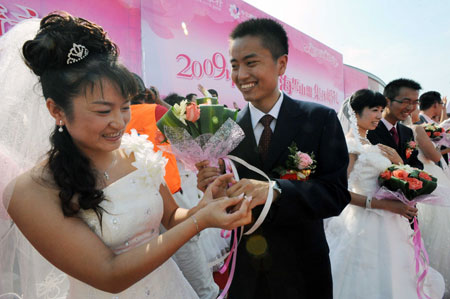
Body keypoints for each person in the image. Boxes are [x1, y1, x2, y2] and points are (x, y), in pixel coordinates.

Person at [0, 13, 251, 298]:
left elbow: (171, 216)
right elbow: (109, 274)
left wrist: (201, 209)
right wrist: (199, 221)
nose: (120, 122)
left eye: (124, 107)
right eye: (103, 111)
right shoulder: (30, 190)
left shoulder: (136, 152)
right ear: (57, 110)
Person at [196, 18, 350, 298]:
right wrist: (212, 189)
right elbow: (224, 201)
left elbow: (336, 194)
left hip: (303, 269)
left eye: (251, 63)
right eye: (234, 65)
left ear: (281, 64)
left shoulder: (320, 119)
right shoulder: (225, 130)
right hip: (246, 273)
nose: (241, 74)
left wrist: (276, 191)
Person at [325, 89, 445, 299]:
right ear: (355, 112)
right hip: (363, 223)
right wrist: (385, 205)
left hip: (390, 221)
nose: (379, 116)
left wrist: (399, 164)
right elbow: (340, 193)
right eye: (374, 110)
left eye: (381, 110)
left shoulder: (370, 144)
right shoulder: (350, 146)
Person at [407, 107, 450, 297]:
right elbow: (434, 156)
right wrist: (437, 144)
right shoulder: (417, 129)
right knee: (439, 227)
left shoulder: (401, 129)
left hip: (417, 177)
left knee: (427, 227)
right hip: (430, 174)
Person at [367, 78, 423, 169]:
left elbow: (416, 162)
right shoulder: (369, 129)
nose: (410, 107)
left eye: (415, 103)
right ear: (387, 102)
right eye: (406, 102)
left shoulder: (407, 132)